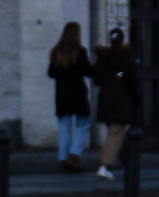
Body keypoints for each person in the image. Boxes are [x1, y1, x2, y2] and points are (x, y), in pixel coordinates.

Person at [47, 22, 92, 172]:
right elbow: (88, 72)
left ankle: (63, 160)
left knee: (64, 128)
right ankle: (74, 154)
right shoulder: (80, 51)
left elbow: (51, 73)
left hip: (62, 95)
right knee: (84, 124)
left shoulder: (56, 51)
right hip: (78, 94)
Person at [94, 28, 139, 181]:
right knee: (116, 134)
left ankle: (130, 165)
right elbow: (134, 81)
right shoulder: (128, 57)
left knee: (117, 134)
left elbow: (97, 80)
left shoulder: (103, 58)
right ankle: (105, 166)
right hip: (122, 101)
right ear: (122, 39)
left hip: (105, 101)